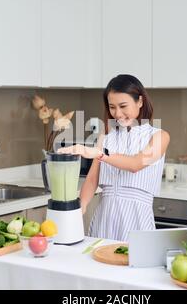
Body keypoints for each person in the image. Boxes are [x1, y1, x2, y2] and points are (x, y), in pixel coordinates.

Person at [57, 74, 170, 241]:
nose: (117, 113)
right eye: (112, 107)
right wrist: (80, 207)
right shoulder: (107, 135)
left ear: (140, 101)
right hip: (105, 217)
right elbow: (92, 179)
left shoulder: (160, 136)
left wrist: (99, 154)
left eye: (123, 106)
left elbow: (135, 164)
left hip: (137, 219)